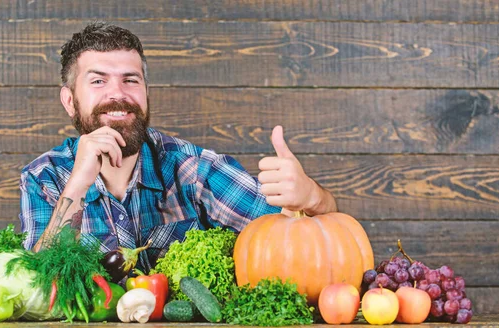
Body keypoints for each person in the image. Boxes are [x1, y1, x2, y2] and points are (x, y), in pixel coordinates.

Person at [19, 22, 337, 271]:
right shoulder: (43, 178)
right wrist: (79, 182)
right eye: (98, 81)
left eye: (131, 80)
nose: (118, 94)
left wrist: (311, 196)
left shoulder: (194, 171)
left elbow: (313, 237)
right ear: (70, 101)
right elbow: (36, 287)